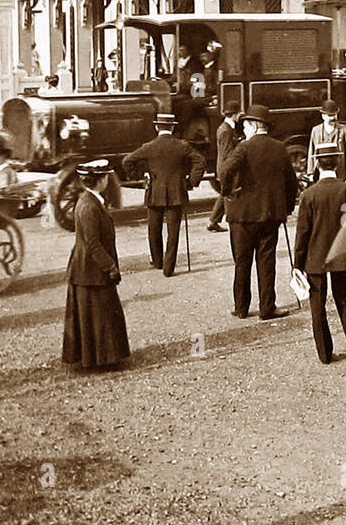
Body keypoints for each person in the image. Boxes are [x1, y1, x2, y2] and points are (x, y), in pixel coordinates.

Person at [220, 105, 300, 320]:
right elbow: (292, 182)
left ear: (255, 126)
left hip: (242, 215)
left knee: (242, 262)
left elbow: (225, 170)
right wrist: (287, 207)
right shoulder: (279, 148)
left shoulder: (243, 148)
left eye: (245, 126)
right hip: (270, 215)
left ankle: (241, 308)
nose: (243, 130)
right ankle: (267, 308)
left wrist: (227, 192)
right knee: (267, 261)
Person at [292, 150, 346, 364]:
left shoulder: (309, 195)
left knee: (318, 306)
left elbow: (303, 233)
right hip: (341, 256)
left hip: (315, 259)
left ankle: (324, 353)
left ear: (317, 165)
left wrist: (298, 264)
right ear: (338, 162)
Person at [63, 160, 130, 370]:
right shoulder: (89, 206)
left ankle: (98, 358)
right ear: (100, 181)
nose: (108, 180)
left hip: (87, 269)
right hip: (91, 270)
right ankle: (102, 360)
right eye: (106, 177)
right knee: (99, 315)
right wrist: (110, 267)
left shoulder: (89, 201)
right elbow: (93, 244)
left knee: (93, 315)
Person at [122, 114, 206, 277]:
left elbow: (127, 161)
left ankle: (158, 261)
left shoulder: (149, 146)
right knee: (172, 231)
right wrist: (190, 182)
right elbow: (200, 161)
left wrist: (140, 178)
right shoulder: (182, 145)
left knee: (154, 229)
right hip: (176, 193)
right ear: (172, 128)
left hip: (154, 192)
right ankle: (169, 268)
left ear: (156, 128)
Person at [207, 111, 243, 232]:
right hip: (227, 167)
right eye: (239, 113)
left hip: (224, 166)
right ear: (234, 115)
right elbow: (227, 152)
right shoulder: (226, 131)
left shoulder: (225, 128)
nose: (240, 115)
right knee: (228, 193)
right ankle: (215, 220)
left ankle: (213, 221)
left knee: (226, 192)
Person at [305, 100, 346, 182]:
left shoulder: (343, 130)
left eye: (334, 115)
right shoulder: (315, 131)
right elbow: (311, 152)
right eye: (329, 115)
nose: (333, 118)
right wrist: (310, 173)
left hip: (339, 174)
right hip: (320, 174)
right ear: (323, 116)